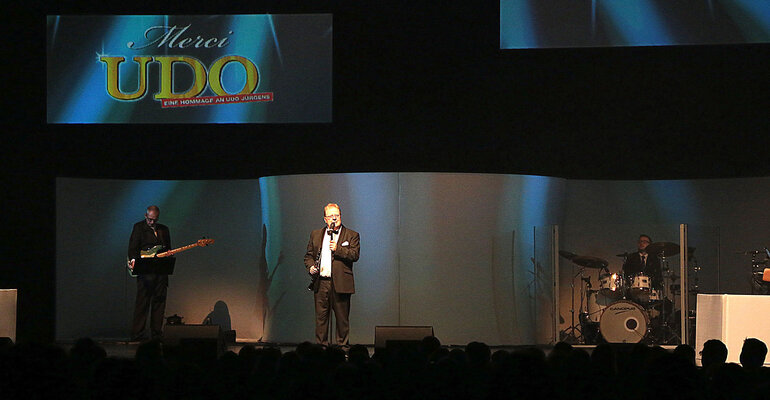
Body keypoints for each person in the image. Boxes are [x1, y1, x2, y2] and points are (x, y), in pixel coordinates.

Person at [304, 203, 360, 349]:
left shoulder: (351, 235)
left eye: (337, 215)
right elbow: (308, 256)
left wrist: (338, 249)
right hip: (321, 283)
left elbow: (354, 255)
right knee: (321, 319)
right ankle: (321, 348)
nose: (334, 218)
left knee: (342, 320)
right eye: (331, 216)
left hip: (341, 283)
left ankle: (343, 349)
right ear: (325, 219)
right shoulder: (316, 234)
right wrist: (311, 267)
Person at [127, 205, 171, 341]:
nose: (152, 222)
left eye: (155, 220)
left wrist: (168, 254)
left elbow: (168, 248)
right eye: (150, 219)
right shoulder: (139, 227)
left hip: (161, 272)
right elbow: (133, 248)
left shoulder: (164, 229)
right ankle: (137, 333)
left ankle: (156, 333)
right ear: (145, 216)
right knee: (143, 303)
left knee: (159, 302)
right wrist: (133, 261)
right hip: (145, 272)